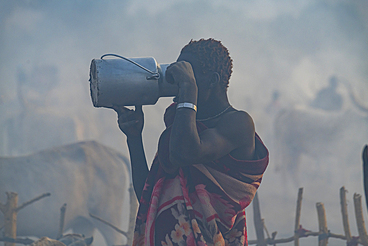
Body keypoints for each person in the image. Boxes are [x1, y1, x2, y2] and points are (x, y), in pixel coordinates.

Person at [114, 38, 269, 246]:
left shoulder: (238, 123)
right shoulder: (181, 125)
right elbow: (149, 197)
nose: (177, 83)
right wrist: (134, 138)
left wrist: (188, 88)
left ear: (212, 80)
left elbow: (185, 153)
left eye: (187, 74)